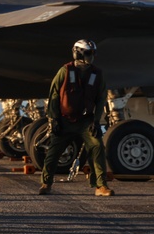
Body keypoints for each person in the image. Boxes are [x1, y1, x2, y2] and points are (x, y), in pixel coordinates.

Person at [39, 39, 113, 197]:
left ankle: (100, 186)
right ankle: (46, 183)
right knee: (54, 151)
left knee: (97, 147)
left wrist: (96, 121)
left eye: (92, 54)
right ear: (78, 53)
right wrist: (54, 119)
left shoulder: (96, 74)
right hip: (65, 121)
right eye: (88, 53)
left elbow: (101, 99)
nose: (91, 57)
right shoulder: (65, 71)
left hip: (86, 121)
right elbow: (53, 95)